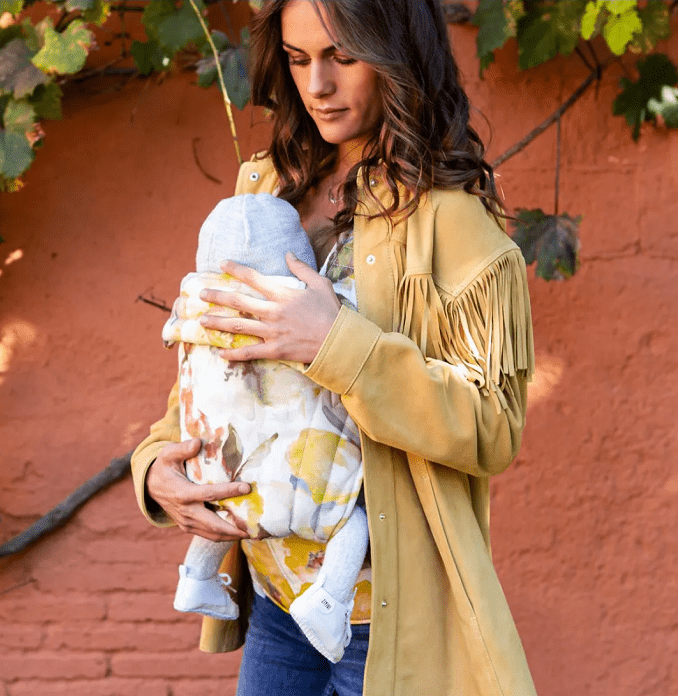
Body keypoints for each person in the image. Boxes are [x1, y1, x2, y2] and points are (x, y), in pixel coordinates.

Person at [131, 1, 538, 695]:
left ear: (395, 54)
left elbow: (493, 428)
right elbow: (214, 363)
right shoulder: (265, 181)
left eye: (341, 57)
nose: (316, 85)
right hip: (277, 600)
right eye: (296, 60)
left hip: (383, 614)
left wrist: (339, 345)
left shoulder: (449, 216)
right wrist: (156, 469)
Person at [164, 192, 369, 664]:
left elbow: (176, 344)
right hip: (305, 491)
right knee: (349, 521)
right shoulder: (309, 304)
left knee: (225, 508)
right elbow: (348, 327)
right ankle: (327, 601)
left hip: (227, 470)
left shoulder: (194, 306)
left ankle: (196, 578)